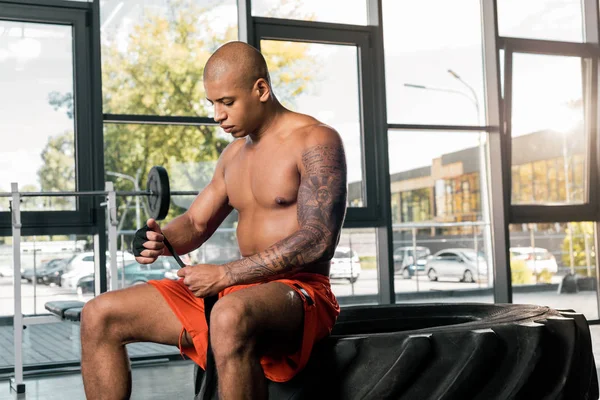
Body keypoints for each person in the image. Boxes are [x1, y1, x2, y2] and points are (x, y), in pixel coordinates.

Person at [80, 40, 347, 400]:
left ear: (261, 89)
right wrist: (160, 240)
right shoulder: (233, 155)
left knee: (228, 314)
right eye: (213, 104)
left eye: (227, 102)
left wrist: (225, 274)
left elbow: (317, 238)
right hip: (234, 292)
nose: (218, 115)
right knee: (99, 314)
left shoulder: (316, 139)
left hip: (299, 292)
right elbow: (195, 225)